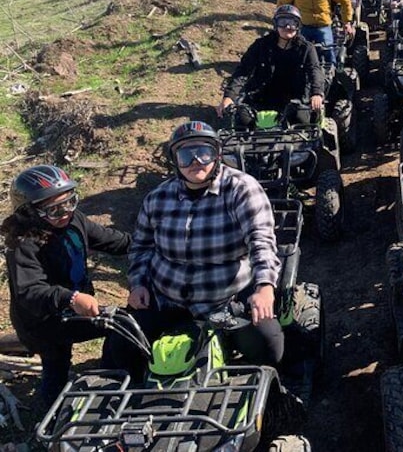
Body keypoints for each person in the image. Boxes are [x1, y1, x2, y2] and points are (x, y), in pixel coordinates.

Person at [106, 121, 285, 381]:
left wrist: (264, 287)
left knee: (270, 346)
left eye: (204, 152)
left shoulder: (242, 189)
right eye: (186, 155)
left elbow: (261, 241)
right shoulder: (157, 198)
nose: (196, 161)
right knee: (120, 345)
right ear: (175, 161)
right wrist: (138, 284)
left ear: (217, 155)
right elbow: (142, 246)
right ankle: (134, 398)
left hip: (225, 301)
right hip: (167, 300)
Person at [2, 165, 131, 404]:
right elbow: (29, 292)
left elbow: (112, 240)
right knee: (56, 367)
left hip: (73, 310)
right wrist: (71, 298)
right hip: (43, 323)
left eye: (70, 202)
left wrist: (146, 242)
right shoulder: (23, 243)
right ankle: (48, 420)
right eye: (53, 209)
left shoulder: (74, 220)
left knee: (119, 324)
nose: (65, 212)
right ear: (29, 212)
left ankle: (108, 373)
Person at [217, 4, 325, 120]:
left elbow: (315, 71)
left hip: (296, 100)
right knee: (241, 119)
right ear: (275, 24)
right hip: (261, 98)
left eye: (293, 23)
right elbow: (243, 71)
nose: (288, 26)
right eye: (282, 22)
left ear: (298, 26)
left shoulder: (307, 48)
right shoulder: (261, 45)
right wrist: (229, 96)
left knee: (301, 119)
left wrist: (317, 93)